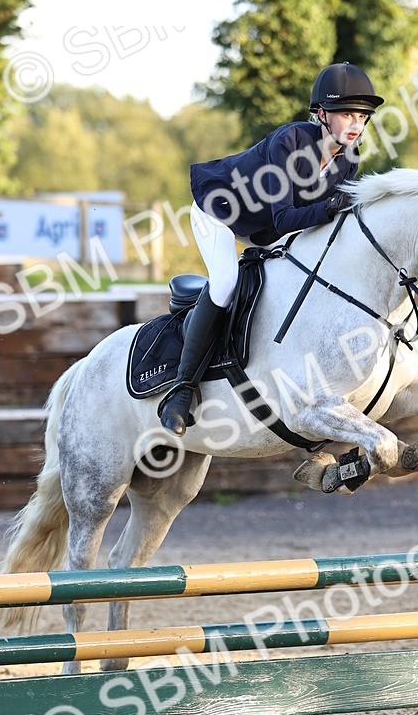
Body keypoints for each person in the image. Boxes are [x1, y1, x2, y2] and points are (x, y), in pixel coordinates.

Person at [158, 61, 384, 435]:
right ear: (322, 114)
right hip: (219, 209)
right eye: (347, 113)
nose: (356, 123)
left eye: (362, 115)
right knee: (226, 282)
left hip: (262, 228)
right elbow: (286, 219)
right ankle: (182, 390)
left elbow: (318, 226)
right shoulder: (290, 142)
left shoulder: (351, 159)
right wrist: (330, 208)